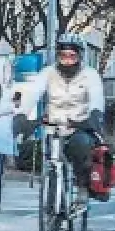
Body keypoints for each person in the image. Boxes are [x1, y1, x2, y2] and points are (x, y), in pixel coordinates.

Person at [24, 33, 105, 202]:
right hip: (53, 126)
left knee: (81, 146)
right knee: (51, 158)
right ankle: (53, 203)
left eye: (72, 56)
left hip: (79, 126)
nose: (67, 60)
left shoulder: (90, 75)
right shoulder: (48, 73)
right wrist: (22, 116)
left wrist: (94, 115)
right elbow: (32, 94)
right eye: (63, 55)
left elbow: (96, 98)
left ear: (79, 56)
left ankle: (82, 187)